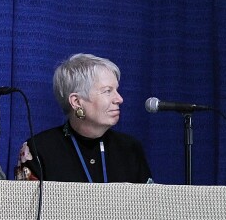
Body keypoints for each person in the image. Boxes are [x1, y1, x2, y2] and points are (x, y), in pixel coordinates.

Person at [15, 53, 151, 183]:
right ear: (76, 102)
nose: (119, 99)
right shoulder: (38, 150)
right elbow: (24, 206)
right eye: (108, 91)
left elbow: (148, 205)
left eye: (117, 90)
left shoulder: (130, 149)